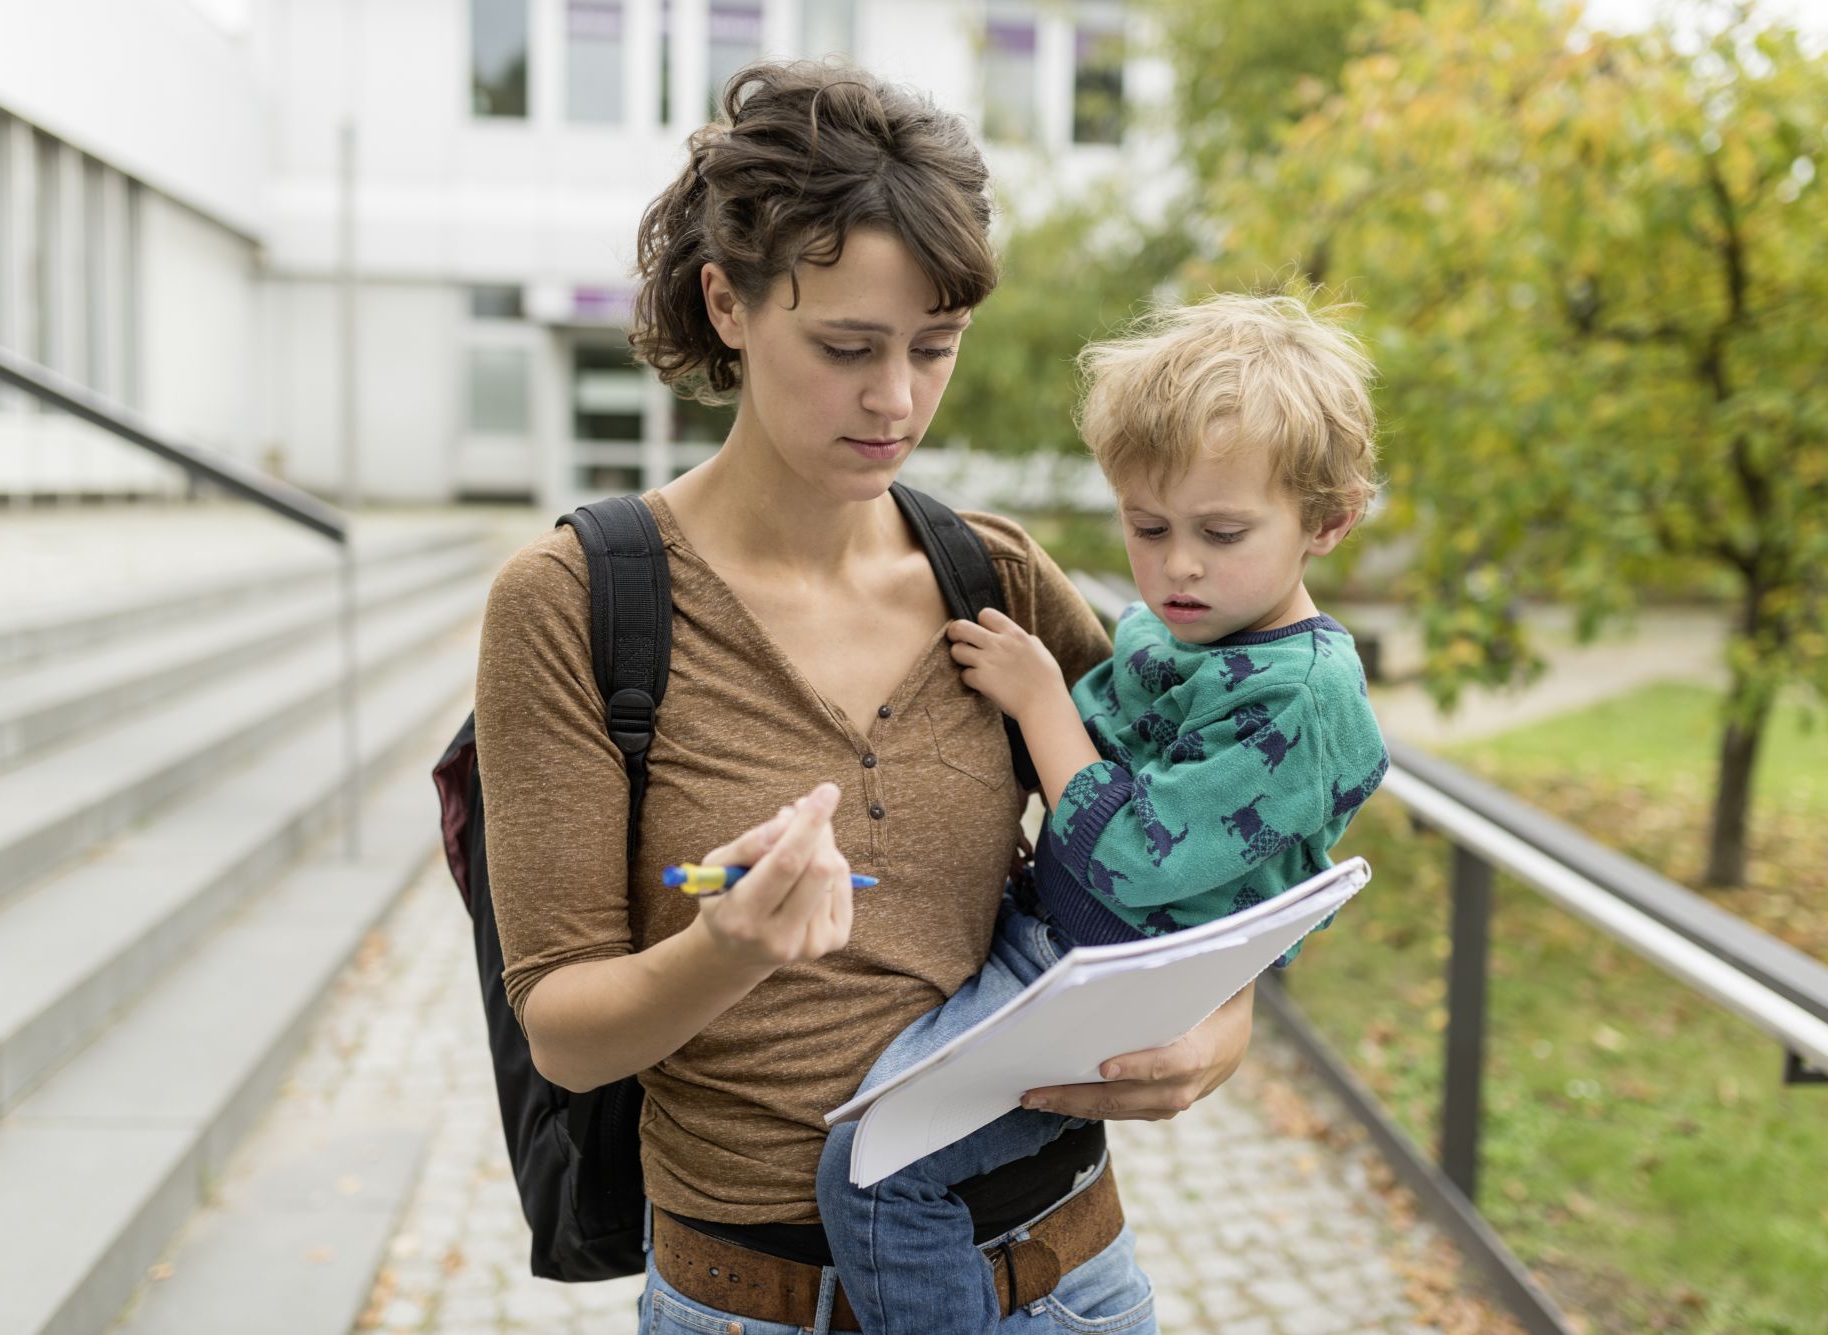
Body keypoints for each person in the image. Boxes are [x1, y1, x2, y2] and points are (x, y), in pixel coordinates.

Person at [474, 63, 1259, 1335]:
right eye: (845, 347)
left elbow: (1216, 835)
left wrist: (1217, 1029)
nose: (896, 400)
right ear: (726, 303)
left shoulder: (990, 577)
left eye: (932, 348)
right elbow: (564, 1034)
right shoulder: (573, 603)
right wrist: (721, 947)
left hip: (1072, 1284)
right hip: (761, 1304)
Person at [815, 292, 1391, 1334]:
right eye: (1144, 525)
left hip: (1106, 983)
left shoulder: (1296, 696)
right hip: (1053, 948)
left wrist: (1038, 697)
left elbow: (1134, 853)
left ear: (1327, 521)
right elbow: (1071, 754)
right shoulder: (1188, 637)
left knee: (874, 1168)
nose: (1176, 566)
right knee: (875, 1143)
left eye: (1221, 532)